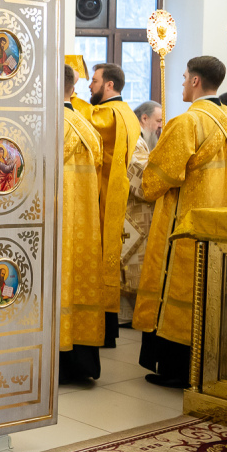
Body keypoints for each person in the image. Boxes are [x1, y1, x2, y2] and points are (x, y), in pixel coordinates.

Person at [134, 56, 227, 387]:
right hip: (219, 219)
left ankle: (176, 368)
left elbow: (159, 179)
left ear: (196, 81)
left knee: (181, 289)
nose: (183, 83)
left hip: (187, 220)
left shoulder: (188, 122)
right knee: (207, 290)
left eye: (185, 77)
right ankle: (204, 367)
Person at [71, 63, 140, 348]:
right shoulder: (128, 112)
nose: (90, 86)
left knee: (95, 256)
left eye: (95, 81)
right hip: (113, 191)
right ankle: (105, 326)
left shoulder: (110, 114)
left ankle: (96, 325)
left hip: (101, 193)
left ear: (109, 85)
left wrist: (69, 91)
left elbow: (84, 118)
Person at [59, 64, 106, 382]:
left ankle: (57, 362)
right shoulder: (87, 127)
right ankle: (81, 364)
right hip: (85, 226)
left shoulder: (47, 124)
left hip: (57, 222)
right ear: (72, 88)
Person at [119, 102, 161, 326]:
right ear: (144, 119)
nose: (160, 126)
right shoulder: (135, 141)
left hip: (139, 217)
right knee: (131, 265)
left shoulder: (144, 142)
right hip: (134, 217)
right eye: (158, 121)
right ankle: (126, 316)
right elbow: (145, 182)